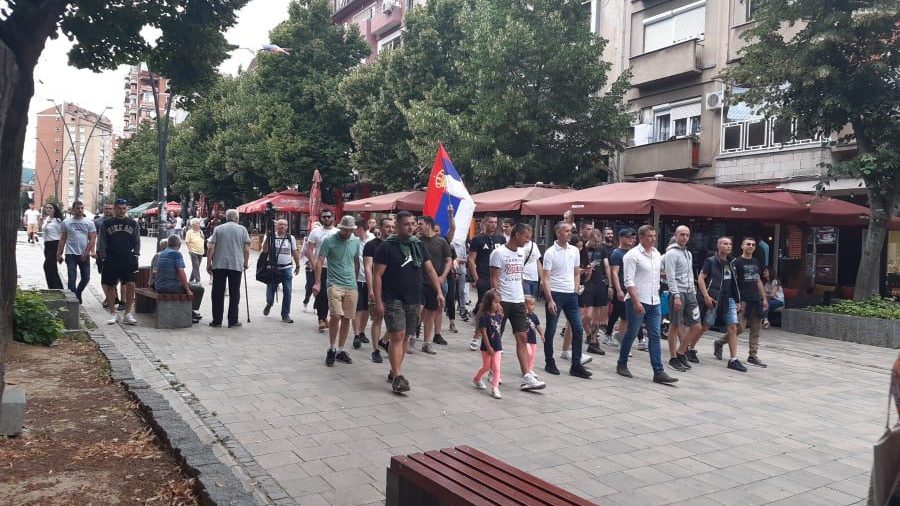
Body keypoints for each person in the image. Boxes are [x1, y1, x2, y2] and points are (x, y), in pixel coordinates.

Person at [373, 210, 444, 394]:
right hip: (393, 297)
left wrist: (438, 291)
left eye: (413, 224)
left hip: (414, 297)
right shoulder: (386, 247)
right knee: (397, 334)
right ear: (397, 226)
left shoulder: (418, 245)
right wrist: (378, 300)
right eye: (407, 224)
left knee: (405, 336)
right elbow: (377, 276)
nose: (411, 227)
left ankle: (394, 369)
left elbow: (429, 270)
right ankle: (398, 377)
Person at [617, 225, 678, 384]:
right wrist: (636, 301)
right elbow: (628, 280)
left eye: (654, 236)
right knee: (633, 331)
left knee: (655, 335)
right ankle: (622, 362)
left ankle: (658, 371)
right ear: (641, 237)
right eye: (649, 236)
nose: (653, 239)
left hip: (654, 300)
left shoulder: (656, 254)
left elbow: (655, 274)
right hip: (637, 299)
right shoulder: (632, 255)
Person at [491, 222, 549, 390]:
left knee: (523, 337)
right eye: (526, 237)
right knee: (497, 337)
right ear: (517, 235)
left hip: (518, 301)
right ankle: (493, 371)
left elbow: (519, 276)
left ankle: (526, 376)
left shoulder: (522, 253)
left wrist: (523, 297)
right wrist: (496, 301)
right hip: (503, 300)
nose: (527, 240)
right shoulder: (498, 253)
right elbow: (494, 278)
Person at [540, 221, 592, 379]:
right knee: (551, 329)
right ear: (558, 233)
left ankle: (576, 365)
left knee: (577, 328)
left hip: (570, 295)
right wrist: (549, 299)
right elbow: (546, 278)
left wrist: (576, 288)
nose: (570, 233)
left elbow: (576, 272)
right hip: (556, 293)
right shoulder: (550, 252)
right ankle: (550, 361)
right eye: (567, 231)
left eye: (571, 231)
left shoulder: (575, 250)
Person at [314, 216, 362, 366]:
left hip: (351, 285)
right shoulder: (329, 241)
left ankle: (340, 350)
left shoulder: (355, 241)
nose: (348, 233)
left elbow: (355, 260)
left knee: (347, 317)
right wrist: (317, 282)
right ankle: (332, 347)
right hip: (334, 283)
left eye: (350, 230)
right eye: (345, 230)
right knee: (336, 315)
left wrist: (355, 278)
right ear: (340, 228)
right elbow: (320, 260)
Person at [697, 236, 747, 372]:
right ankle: (690, 348)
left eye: (730, 244)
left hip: (729, 298)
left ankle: (733, 359)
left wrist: (738, 300)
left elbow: (734, 283)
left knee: (733, 327)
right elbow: (701, 278)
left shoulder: (732, 263)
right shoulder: (711, 261)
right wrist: (706, 295)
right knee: (706, 324)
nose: (728, 246)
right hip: (714, 297)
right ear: (718, 246)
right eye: (725, 244)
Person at [664, 225, 703, 371]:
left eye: (687, 235)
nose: (685, 237)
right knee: (674, 326)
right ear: (676, 235)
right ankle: (673, 357)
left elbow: (690, 274)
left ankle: (681, 352)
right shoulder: (671, 253)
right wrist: (675, 295)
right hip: (678, 292)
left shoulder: (688, 253)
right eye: (682, 234)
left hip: (689, 291)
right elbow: (670, 276)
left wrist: (693, 291)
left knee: (696, 325)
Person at [206, 209, 251, 328]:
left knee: (217, 293)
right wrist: (246, 263)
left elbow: (211, 247)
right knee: (234, 293)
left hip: (219, 264)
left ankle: (217, 321)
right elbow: (246, 249)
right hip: (236, 265)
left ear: (226, 218)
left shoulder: (218, 229)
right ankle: (232, 321)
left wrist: (208, 263)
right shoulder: (242, 230)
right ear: (237, 218)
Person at [100, 198, 141, 325]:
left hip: (128, 257)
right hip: (111, 257)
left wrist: (136, 254)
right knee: (111, 285)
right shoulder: (107, 223)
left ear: (126, 208)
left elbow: (137, 240)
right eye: (119, 208)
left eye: (124, 208)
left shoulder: (133, 223)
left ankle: (127, 313)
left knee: (131, 284)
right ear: (115, 208)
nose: (122, 211)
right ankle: (113, 313)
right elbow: (102, 240)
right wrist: (102, 255)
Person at [467, 213, 505, 350]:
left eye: (495, 222)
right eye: (490, 222)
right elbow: (471, 259)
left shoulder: (501, 238)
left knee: (497, 307)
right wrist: (476, 278)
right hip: (483, 277)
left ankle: (493, 337)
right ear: (484, 223)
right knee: (485, 307)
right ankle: (477, 336)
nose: (493, 225)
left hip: (498, 277)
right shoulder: (477, 239)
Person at [730, 237, 769, 367]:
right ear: (742, 246)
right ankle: (720, 342)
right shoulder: (736, 262)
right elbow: (733, 283)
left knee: (755, 329)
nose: (750, 246)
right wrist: (737, 300)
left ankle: (752, 355)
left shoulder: (756, 262)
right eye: (748, 244)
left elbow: (758, 280)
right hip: (743, 300)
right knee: (739, 328)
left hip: (755, 299)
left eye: (753, 244)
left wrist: (764, 298)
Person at [417, 215, 452, 354]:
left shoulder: (441, 241)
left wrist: (442, 276)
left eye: (420, 224)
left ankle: (427, 342)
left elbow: (448, 260)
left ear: (428, 225)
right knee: (417, 310)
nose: (418, 226)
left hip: (434, 282)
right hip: (419, 280)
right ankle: (412, 336)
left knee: (431, 312)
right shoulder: (417, 241)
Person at [364, 217, 395, 363]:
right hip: (378, 287)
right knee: (377, 318)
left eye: (393, 227)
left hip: (393, 288)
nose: (391, 229)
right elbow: (368, 269)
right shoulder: (371, 245)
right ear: (380, 228)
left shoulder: (396, 244)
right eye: (388, 227)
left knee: (395, 321)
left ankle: (385, 340)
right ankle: (375, 349)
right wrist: (371, 289)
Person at [154, 235, 204, 323]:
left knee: (190, 285)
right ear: (179, 244)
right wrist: (188, 290)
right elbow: (181, 273)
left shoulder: (162, 253)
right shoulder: (176, 253)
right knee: (199, 289)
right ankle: (190, 313)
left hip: (159, 285)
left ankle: (191, 312)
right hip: (169, 287)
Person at [57, 201, 97, 303]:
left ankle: (78, 292)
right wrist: (59, 253)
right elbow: (63, 239)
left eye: (82, 208)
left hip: (84, 254)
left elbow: (92, 239)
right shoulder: (66, 222)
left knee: (86, 277)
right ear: (73, 210)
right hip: (70, 254)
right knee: (72, 277)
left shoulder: (89, 222)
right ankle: (73, 300)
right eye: (78, 208)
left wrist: (87, 252)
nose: (80, 210)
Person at [579, 229, 611, 356]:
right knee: (586, 315)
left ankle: (593, 341)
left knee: (597, 316)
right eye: (595, 241)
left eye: (599, 241)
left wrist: (610, 284)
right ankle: (588, 334)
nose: (597, 244)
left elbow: (607, 266)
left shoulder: (601, 250)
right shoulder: (582, 250)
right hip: (586, 283)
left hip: (599, 283)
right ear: (590, 239)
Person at [262, 219, 300, 323]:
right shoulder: (270, 236)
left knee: (288, 291)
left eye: (284, 225)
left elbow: (294, 251)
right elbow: (264, 250)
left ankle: (285, 314)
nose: (282, 226)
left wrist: (298, 265)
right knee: (270, 293)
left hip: (286, 268)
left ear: (287, 227)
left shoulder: (290, 238)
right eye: (280, 224)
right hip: (272, 269)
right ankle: (269, 304)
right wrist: (267, 238)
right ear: (276, 226)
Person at [605, 229, 637, 348]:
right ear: (621, 238)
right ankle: (623, 342)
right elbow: (614, 273)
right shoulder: (617, 253)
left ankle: (616, 335)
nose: (631, 240)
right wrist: (618, 289)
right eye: (628, 237)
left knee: (624, 315)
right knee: (625, 317)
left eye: (633, 238)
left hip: (631, 287)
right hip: (623, 288)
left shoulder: (633, 253)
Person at [307, 212, 338, 331]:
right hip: (320, 266)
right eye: (324, 217)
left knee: (331, 294)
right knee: (321, 293)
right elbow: (309, 249)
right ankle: (321, 318)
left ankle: (325, 317)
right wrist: (313, 262)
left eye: (329, 216)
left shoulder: (336, 232)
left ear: (333, 218)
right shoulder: (316, 232)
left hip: (334, 267)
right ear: (321, 218)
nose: (326, 218)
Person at [472, 289, 504, 399]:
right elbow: (484, 333)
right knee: (486, 366)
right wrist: (489, 346)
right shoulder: (484, 317)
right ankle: (477, 378)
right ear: (488, 302)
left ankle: (495, 387)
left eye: (499, 302)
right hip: (487, 347)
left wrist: (501, 312)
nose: (498, 305)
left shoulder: (498, 315)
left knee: (496, 367)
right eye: (496, 302)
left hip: (497, 345)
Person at [352, 218, 373, 348]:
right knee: (357, 309)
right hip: (357, 279)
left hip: (370, 280)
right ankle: (356, 334)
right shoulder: (353, 241)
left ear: (360, 228)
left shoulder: (372, 239)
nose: (354, 231)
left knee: (366, 309)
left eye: (355, 229)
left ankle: (362, 331)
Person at [41, 203, 64, 289]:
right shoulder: (46, 219)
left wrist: (60, 252)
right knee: (53, 267)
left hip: (55, 244)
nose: (48, 209)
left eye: (50, 208)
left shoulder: (58, 220)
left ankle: (54, 286)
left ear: (54, 209)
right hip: (47, 245)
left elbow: (62, 235)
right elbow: (43, 231)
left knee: (47, 266)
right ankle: (56, 288)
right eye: (47, 208)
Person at [524, 295, 543, 376]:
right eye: (531, 304)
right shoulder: (523, 316)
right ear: (525, 306)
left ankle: (530, 369)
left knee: (532, 356)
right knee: (529, 353)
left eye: (534, 304)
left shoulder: (534, 316)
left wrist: (542, 334)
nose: (533, 307)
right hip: (525, 339)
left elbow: (537, 326)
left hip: (533, 339)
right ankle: (525, 369)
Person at [185, 219, 206, 283]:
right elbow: (187, 242)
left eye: (199, 224)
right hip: (193, 251)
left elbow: (203, 239)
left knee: (196, 266)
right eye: (198, 224)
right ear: (193, 225)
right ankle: (198, 280)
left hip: (201, 251)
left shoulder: (200, 231)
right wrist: (190, 250)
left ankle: (191, 279)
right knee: (196, 266)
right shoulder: (189, 232)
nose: (199, 225)